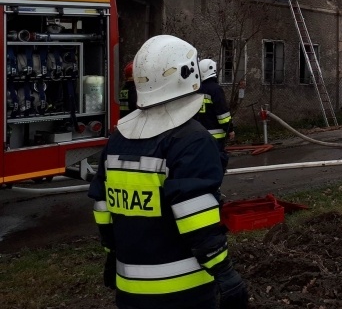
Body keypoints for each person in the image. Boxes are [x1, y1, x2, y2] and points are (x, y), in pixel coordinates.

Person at [88, 35, 249, 309]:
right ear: (190, 75)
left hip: (129, 287)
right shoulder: (192, 141)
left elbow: (103, 206)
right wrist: (224, 271)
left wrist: (112, 252)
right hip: (184, 290)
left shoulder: (117, 138)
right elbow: (195, 215)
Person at [195, 58, 234, 172]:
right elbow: (223, 114)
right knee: (216, 164)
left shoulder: (196, 90)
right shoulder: (216, 90)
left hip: (199, 135)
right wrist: (229, 129)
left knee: (202, 163)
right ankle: (215, 187)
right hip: (215, 138)